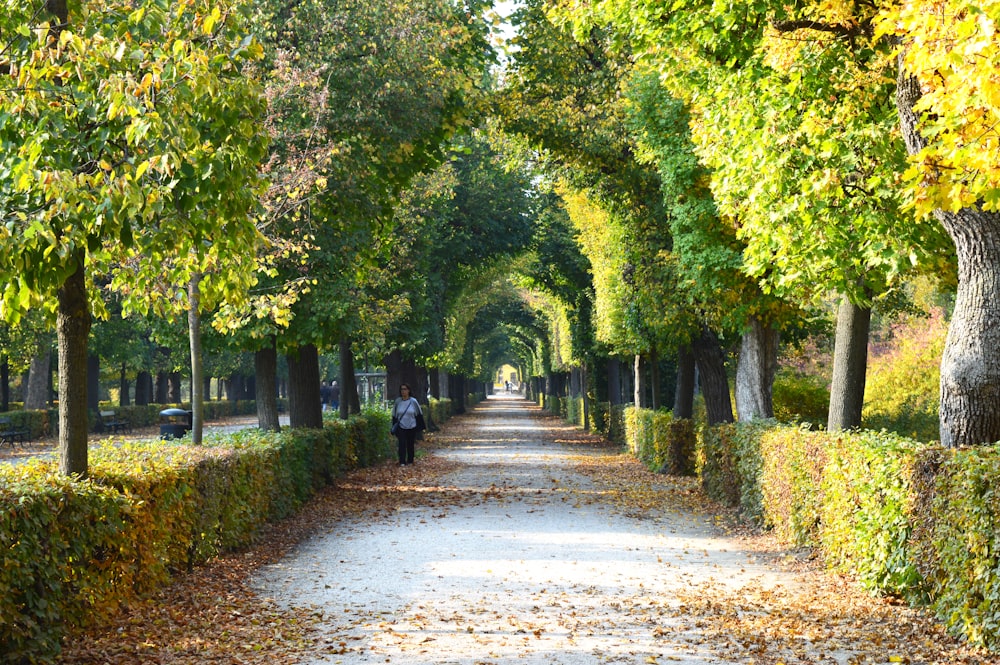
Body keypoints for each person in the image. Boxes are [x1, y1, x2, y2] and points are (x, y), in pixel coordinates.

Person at [392, 383, 423, 465]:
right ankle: (402, 461)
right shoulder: (398, 401)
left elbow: (418, 414)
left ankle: (410, 460)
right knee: (401, 444)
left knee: (410, 444)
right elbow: (394, 414)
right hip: (401, 426)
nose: (403, 391)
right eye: (402, 389)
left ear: (408, 390)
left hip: (412, 426)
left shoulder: (413, 401)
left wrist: (419, 427)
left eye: (405, 389)